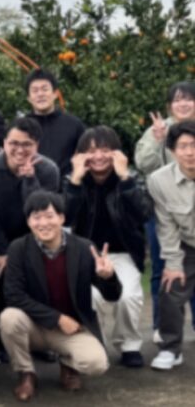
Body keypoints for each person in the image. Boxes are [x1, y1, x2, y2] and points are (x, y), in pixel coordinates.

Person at [0, 191, 121, 402]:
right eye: (36, 217)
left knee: (96, 364)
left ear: (62, 218)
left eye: (49, 216)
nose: (43, 223)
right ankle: (26, 373)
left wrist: (108, 277)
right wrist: (57, 318)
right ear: (28, 222)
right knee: (8, 318)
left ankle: (68, 364)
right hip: (34, 325)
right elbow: (13, 295)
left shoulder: (84, 248)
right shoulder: (19, 248)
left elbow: (112, 296)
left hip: (72, 328)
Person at [63, 126, 152, 368]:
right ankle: (96, 343)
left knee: (128, 296)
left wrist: (125, 179)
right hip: (86, 254)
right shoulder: (72, 179)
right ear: (81, 154)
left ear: (116, 153)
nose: (99, 156)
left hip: (123, 253)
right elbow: (65, 217)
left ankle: (129, 345)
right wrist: (76, 180)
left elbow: (144, 213)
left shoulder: (130, 178)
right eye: (91, 151)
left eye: (105, 150)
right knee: (92, 297)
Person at [0, 117, 60, 360]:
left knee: (42, 279)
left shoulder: (48, 169)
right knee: (2, 276)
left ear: (37, 146)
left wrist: (30, 180)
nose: (20, 150)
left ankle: (40, 341)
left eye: (27, 144)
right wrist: (3, 251)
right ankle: (3, 342)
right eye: (14, 143)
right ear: (4, 143)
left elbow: (42, 216)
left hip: (34, 239)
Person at [135, 81, 195, 335]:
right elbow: (142, 163)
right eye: (177, 100)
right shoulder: (158, 129)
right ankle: (162, 326)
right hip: (163, 207)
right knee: (163, 269)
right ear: (170, 106)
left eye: (188, 98)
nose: (183, 104)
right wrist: (158, 141)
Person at [148, 121, 195, 370]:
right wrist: (173, 263)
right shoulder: (159, 180)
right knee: (170, 286)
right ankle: (170, 348)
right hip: (187, 244)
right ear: (173, 151)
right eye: (183, 146)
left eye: (194, 145)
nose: (190, 152)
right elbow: (166, 224)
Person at [24, 69, 86, 178]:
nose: (40, 94)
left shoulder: (74, 125)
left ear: (55, 94)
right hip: (30, 183)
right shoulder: (21, 127)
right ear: (29, 98)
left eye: (45, 89)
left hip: (66, 185)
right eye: (35, 91)